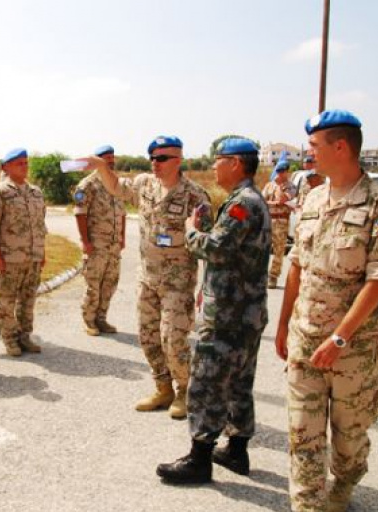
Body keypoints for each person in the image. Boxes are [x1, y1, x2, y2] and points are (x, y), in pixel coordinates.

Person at [267, 110, 378, 512]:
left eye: (314, 146)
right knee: (302, 430)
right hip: (306, 338)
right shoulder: (312, 199)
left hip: (355, 349)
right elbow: (297, 266)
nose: (307, 153)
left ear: (340, 147)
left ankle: (345, 479)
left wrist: (341, 338)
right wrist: (284, 323)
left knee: (349, 433)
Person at [155, 137, 270, 483]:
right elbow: (233, 254)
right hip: (245, 311)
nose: (213, 166)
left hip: (229, 316)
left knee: (207, 381)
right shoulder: (249, 199)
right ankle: (236, 450)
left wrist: (192, 231)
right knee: (238, 382)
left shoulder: (242, 204)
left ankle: (199, 459)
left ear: (235, 163)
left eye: (218, 160)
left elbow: (217, 248)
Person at [85, 136, 210, 420]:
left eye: (162, 158)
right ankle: (162, 388)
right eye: (152, 157)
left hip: (178, 283)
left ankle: (184, 391)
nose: (155, 162)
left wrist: (206, 286)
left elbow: (206, 244)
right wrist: (101, 167)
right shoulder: (144, 184)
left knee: (173, 339)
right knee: (148, 337)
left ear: (178, 160)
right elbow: (116, 187)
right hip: (148, 279)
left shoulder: (195, 196)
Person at [0, 148, 47, 357]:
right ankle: (10, 339)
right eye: (19, 163)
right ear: (6, 167)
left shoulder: (36, 192)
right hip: (10, 258)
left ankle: (24, 337)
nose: (24, 166)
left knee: (28, 301)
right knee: (7, 302)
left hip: (33, 257)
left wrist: (42, 252)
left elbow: (40, 226)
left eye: (26, 163)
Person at [73, 144, 126, 336]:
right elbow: (80, 214)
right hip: (96, 244)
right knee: (93, 284)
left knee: (109, 283)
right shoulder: (88, 185)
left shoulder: (116, 183)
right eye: (106, 158)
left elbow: (123, 213)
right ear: (97, 161)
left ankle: (101, 319)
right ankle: (89, 320)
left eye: (112, 157)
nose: (111, 160)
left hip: (114, 244)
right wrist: (85, 241)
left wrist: (122, 237)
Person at [261, 161, 296, 288]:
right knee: (263, 249)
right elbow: (262, 201)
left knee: (278, 250)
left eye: (282, 172)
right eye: (278, 171)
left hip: (281, 221)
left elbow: (282, 200)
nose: (280, 174)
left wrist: (280, 188)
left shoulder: (290, 186)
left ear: (287, 172)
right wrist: (274, 203)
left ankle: (273, 276)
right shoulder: (269, 185)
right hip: (268, 220)